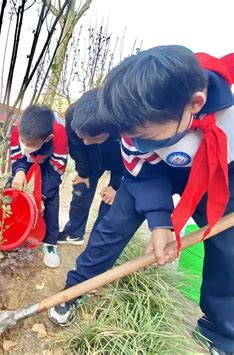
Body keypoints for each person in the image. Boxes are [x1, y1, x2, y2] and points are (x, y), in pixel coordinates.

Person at [48, 46, 234, 354]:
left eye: (143, 134)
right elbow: (143, 171)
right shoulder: (136, 130)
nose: (134, 140)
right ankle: (77, 287)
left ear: (194, 104)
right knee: (112, 227)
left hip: (220, 172)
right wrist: (160, 221)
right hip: (153, 172)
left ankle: (221, 330)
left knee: (228, 246)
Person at [59, 89, 123, 245]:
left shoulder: (124, 121)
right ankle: (74, 233)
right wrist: (83, 172)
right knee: (80, 189)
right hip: (90, 160)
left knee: (110, 199)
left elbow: (130, 158)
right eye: (83, 137)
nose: (86, 142)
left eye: (94, 137)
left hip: (119, 161)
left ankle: (96, 243)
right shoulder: (72, 114)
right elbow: (76, 146)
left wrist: (116, 186)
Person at [10, 105, 68, 268]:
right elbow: (16, 155)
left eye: (32, 143)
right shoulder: (19, 127)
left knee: (51, 200)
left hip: (50, 163)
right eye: (23, 140)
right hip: (25, 160)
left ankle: (50, 243)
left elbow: (57, 169)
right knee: (15, 189)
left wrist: (41, 196)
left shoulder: (60, 134)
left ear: (47, 138)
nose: (25, 144)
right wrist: (19, 171)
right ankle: (15, 229)